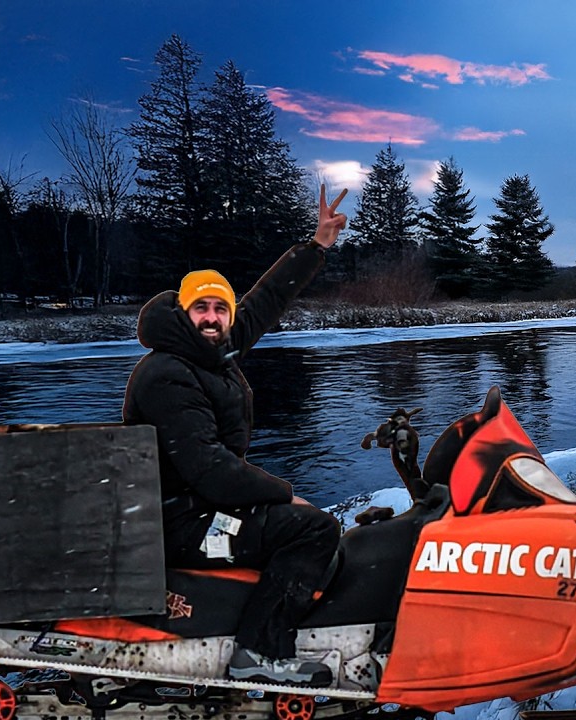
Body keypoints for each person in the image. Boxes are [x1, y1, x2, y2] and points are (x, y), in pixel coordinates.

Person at [123, 186, 349, 686]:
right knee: (313, 530)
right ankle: (259, 653)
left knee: (292, 521)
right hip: (178, 523)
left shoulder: (209, 353)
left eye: (219, 309)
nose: (212, 317)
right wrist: (288, 494)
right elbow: (210, 469)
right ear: (184, 315)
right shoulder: (167, 374)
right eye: (200, 308)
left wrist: (316, 247)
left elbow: (262, 304)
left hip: (198, 505)